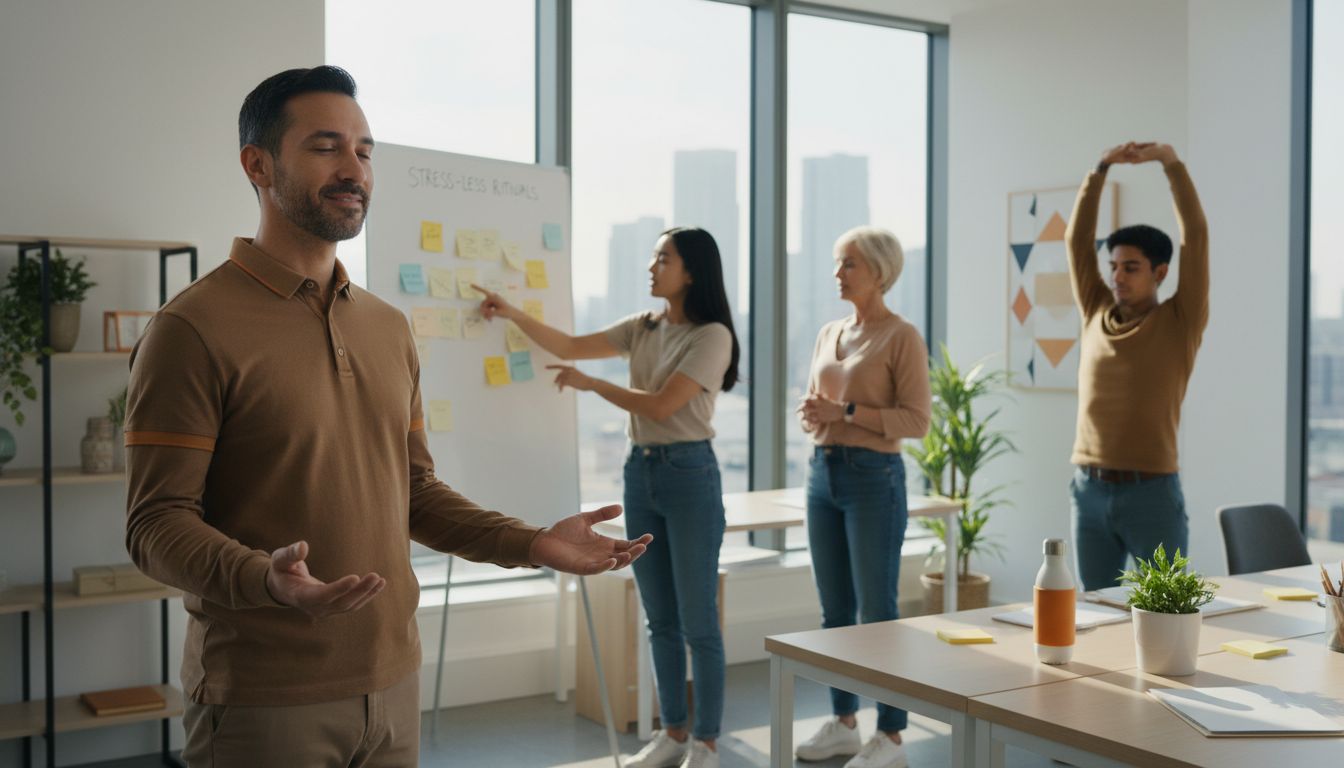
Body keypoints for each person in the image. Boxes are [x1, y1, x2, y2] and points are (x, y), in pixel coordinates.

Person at [123, 66, 650, 768]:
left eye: (365, 151)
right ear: (258, 164)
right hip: (263, 698)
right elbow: (154, 522)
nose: (354, 169)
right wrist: (263, 578)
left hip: (394, 684)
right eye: (325, 146)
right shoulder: (191, 327)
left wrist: (530, 544)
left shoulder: (388, 326)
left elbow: (415, 493)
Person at [475, 226, 740, 768]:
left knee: (697, 620)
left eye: (662, 258)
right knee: (659, 618)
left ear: (691, 271)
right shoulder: (642, 327)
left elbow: (664, 406)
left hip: (690, 476)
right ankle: (673, 734)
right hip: (639, 473)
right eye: (652, 257)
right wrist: (511, 313)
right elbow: (573, 347)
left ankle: (708, 743)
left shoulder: (712, 336)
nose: (651, 266)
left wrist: (593, 385)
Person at [793, 226, 931, 768]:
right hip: (821, 474)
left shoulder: (901, 336)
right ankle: (844, 722)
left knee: (878, 611)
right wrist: (814, 414)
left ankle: (891, 735)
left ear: (879, 272)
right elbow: (818, 402)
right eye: (836, 263)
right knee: (834, 611)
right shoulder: (829, 331)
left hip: (875, 478)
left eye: (848, 264)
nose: (838, 273)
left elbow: (917, 420)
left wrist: (846, 413)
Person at [1066, 141, 1209, 591]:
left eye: (1131, 267)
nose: (1118, 276)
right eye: (1113, 266)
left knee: (1165, 615)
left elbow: (1196, 238)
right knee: (1095, 613)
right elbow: (1075, 241)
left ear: (1161, 273)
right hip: (1088, 491)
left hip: (1152, 494)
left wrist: (1170, 163)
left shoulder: (1179, 320)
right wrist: (1100, 167)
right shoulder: (1095, 310)